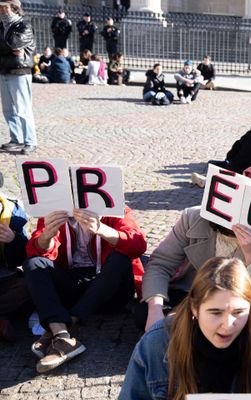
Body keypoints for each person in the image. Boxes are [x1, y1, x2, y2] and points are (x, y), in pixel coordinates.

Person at [120, 257, 251, 400]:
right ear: (194, 308)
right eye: (215, 312)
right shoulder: (156, 344)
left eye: (238, 312)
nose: (228, 324)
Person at [22, 207, 147, 373]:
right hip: (72, 284)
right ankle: (61, 334)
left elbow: (138, 244)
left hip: (110, 291)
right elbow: (35, 250)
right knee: (33, 264)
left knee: (121, 259)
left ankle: (66, 324)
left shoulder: (116, 208)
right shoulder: (54, 210)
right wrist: (47, 236)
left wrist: (101, 229)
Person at [137, 207, 251, 332]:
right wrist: (155, 310)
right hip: (191, 295)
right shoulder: (193, 217)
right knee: (144, 312)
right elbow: (161, 264)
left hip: (237, 303)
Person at [0, 0, 38, 155]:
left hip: (19, 71)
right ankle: (16, 139)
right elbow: (12, 48)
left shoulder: (24, 25)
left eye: (4, 7)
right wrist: (10, 50)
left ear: (14, 8)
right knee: (8, 109)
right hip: (4, 70)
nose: (2, 11)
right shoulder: (2, 26)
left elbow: (15, 43)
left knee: (23, 109)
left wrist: (8, 48)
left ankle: (31, 141)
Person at [0, 171, 31, 342]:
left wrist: (14, 239)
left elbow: (25, 255)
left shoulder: (12, 210)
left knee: (29, 285)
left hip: (4, 276)